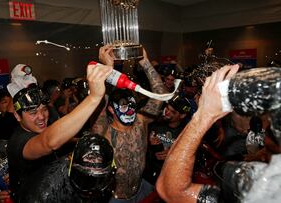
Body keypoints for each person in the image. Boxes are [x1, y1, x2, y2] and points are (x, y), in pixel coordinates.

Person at [157, 65, 281, 202]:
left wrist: (203, 114)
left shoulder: (267, 187)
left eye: (268, 131)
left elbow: (171, 190)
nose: (263, 137)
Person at [6, 63, 113, 202]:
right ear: (17, 116)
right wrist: (93, 97)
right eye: (32, 112)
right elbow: (48, 143)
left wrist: (79, 141)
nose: (41, 117)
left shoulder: (41, 126)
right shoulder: (18, 142)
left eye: (44, 109)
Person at [92, 45, 168, 202]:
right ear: (111, 110)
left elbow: (160, 94)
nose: (129, 110)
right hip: (116, 198)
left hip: (142, 189)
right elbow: (99, 98)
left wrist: (145, 62)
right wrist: (107, 69)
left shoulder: (140, 121)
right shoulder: (103, 130)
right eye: (124, 105)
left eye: (132, 104)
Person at [144, 94, 191, 185]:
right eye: (167, 108)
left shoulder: (187, 133)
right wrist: (148, 143)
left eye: (172, 112)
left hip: (170, 180)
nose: (167, 112)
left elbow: (190, 160)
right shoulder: (154, 122)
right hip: (148, 176)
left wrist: (174, 154)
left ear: (182, 115)